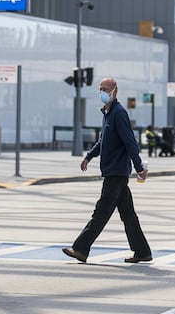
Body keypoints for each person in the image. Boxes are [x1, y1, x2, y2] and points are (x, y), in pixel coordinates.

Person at [62, 77, 152, 264]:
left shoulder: (119, 113)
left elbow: (130, 142)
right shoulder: (107, 113)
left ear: (114, 91)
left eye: (105, 89)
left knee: (101, 211)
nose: (101, 92)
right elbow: (103, 141)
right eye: (100, 89)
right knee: (128, 215)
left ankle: (81, 248)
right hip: (113, 171)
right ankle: (143, 252)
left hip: (116, 173)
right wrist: (89, 156)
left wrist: (138, 166)